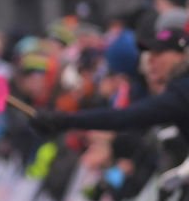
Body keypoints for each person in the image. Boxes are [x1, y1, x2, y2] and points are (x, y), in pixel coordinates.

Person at [31, 25, 189, 142]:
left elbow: (126, 117)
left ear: (183, 54)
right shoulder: (178, 89)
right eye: (150, 53)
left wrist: (65, 120)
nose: (151, 59)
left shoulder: (182, 90)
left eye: (159, 53)